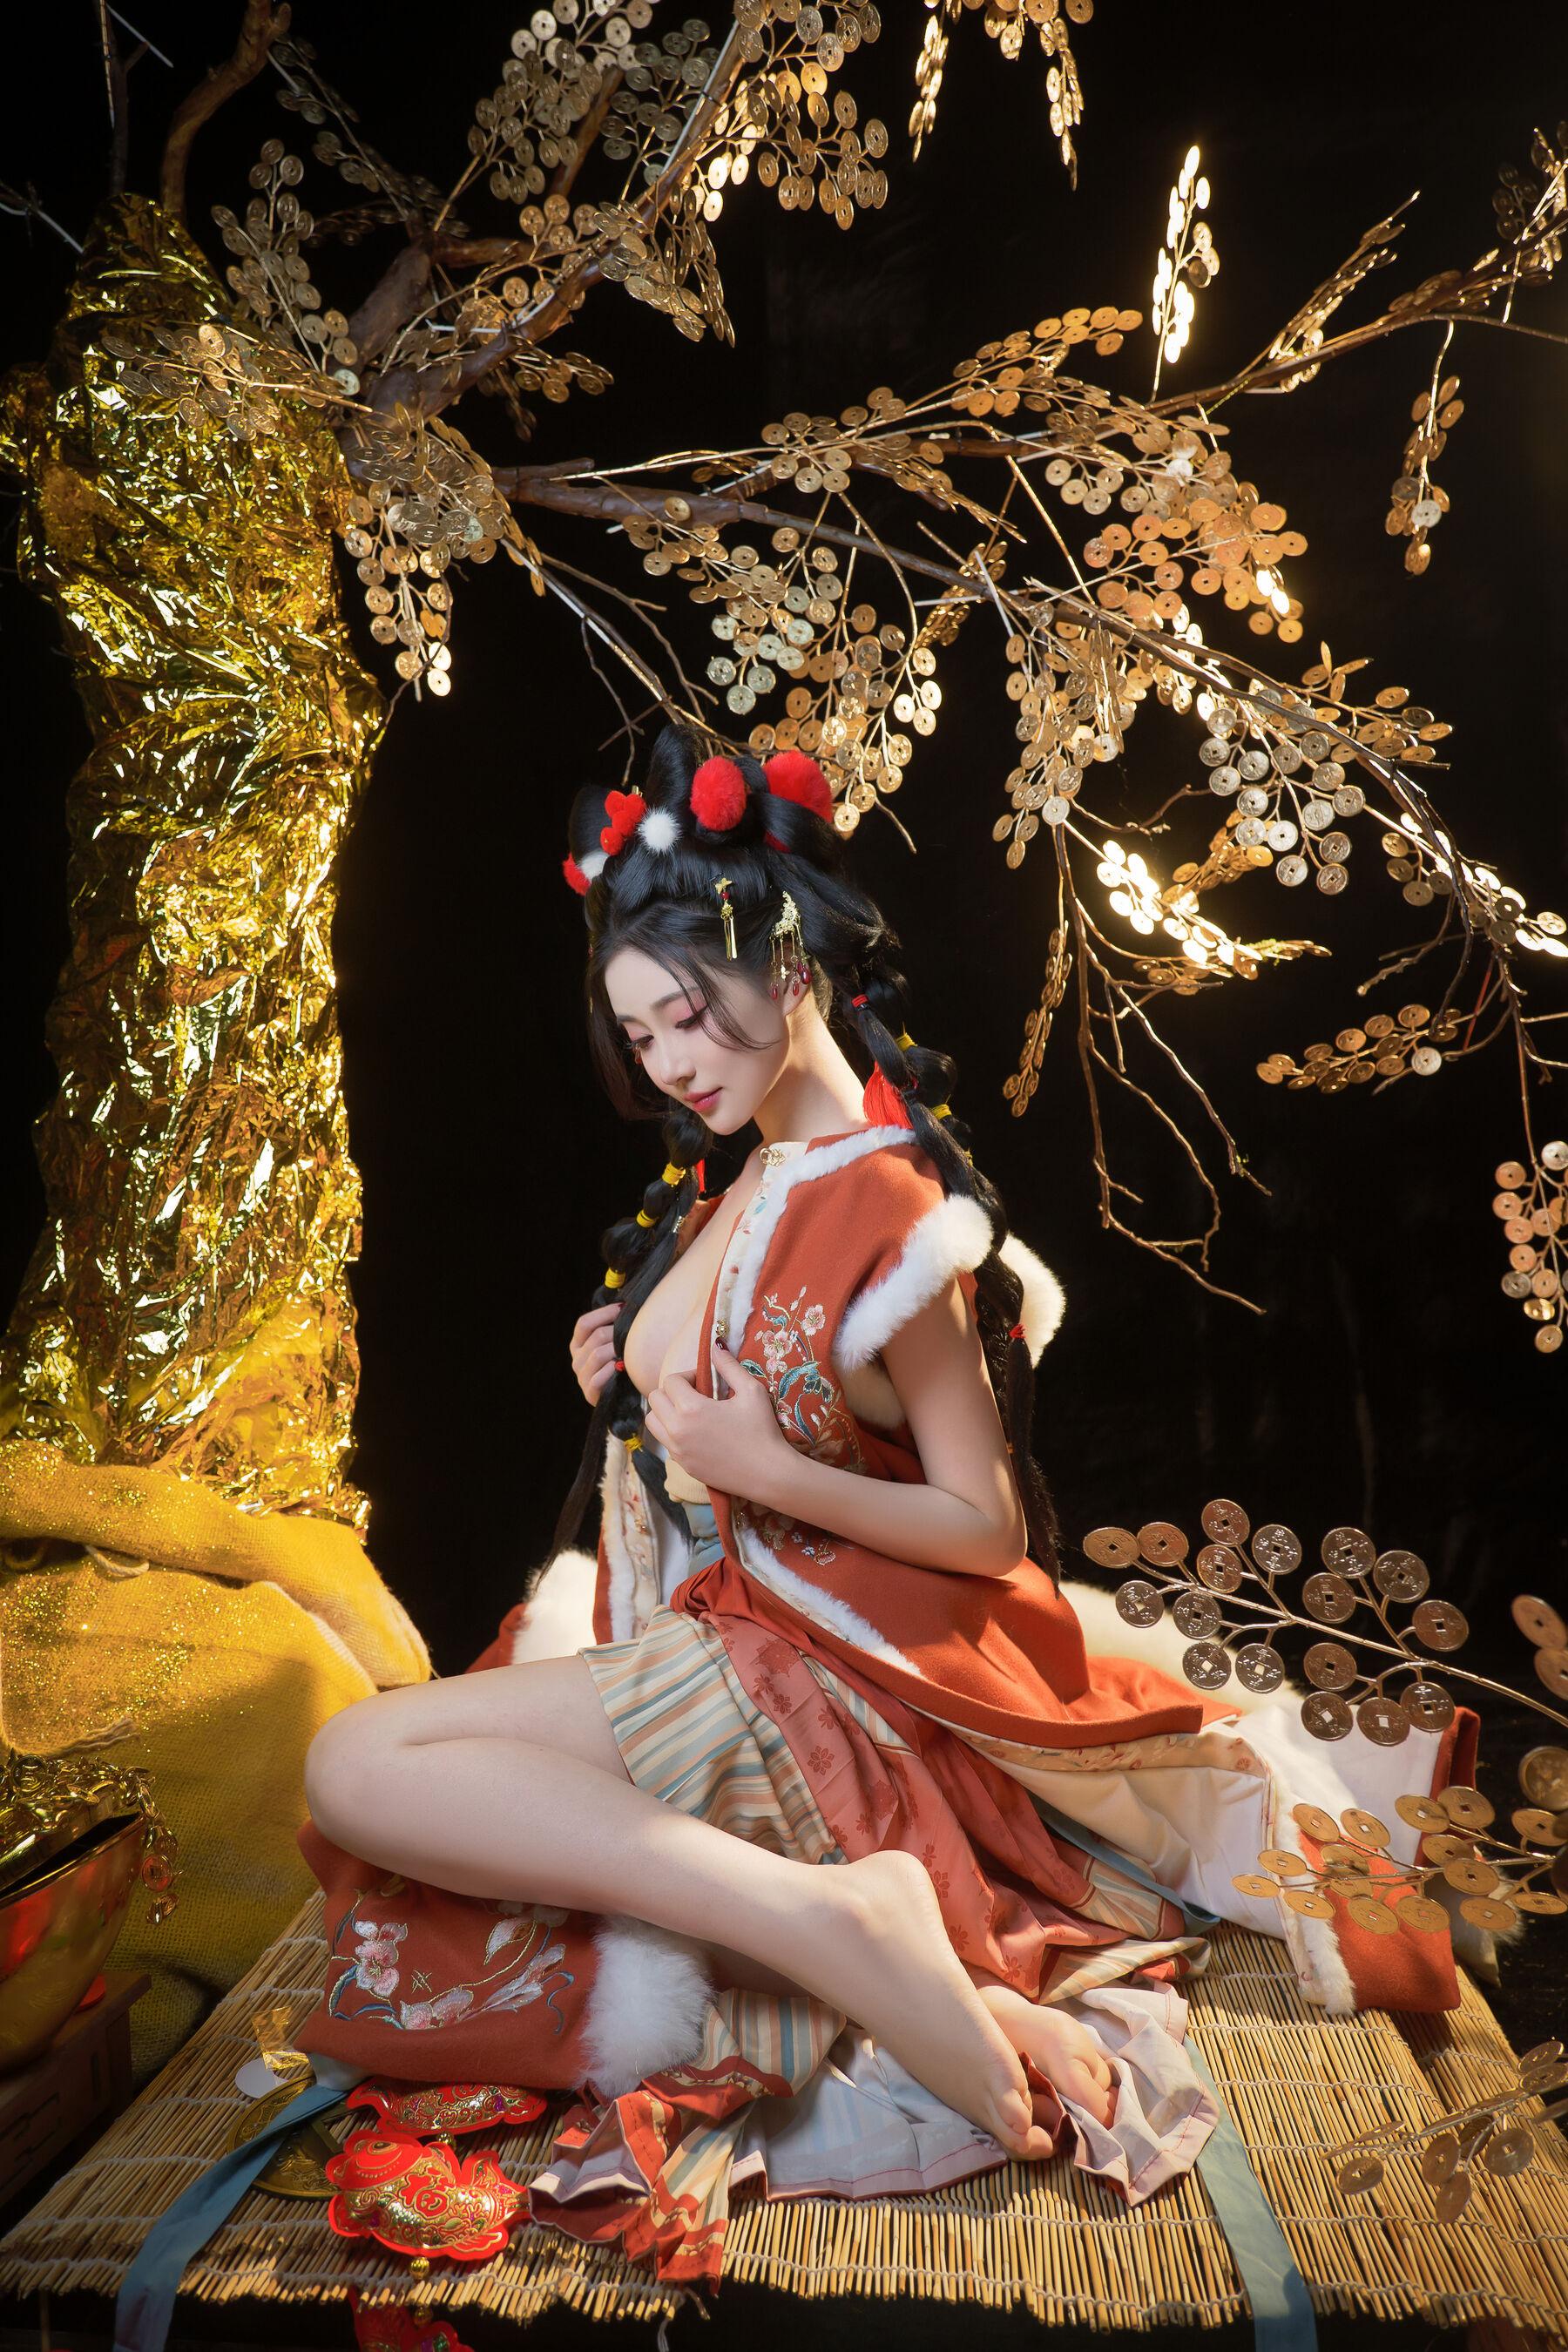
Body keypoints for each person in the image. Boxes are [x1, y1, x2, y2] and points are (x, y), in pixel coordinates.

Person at [301, 724, 1473, 2277]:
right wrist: (627, 1373)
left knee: (360, 1763)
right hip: (714, 1636)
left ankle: (839, 1920)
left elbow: (986, 1524)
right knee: (384, 1778)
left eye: (688, 1017)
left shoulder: (892, 1204)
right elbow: (715, 1413)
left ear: (788, 969)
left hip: (811, 1678)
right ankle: (830, 1921)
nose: (670, 1064)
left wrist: (770, 1471)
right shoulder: (738, 1181)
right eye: (641, 1035)